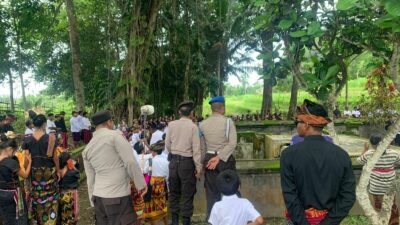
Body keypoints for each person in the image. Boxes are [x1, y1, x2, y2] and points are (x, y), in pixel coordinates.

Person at [280, 99, 356, 225]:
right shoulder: (342, 155)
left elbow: (290, 195)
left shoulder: (288, 155)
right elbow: (348, 196)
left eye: (297, 122)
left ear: (306, 125)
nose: (296, 125)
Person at [83, 111, 147, 225]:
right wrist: (141, 184)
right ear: (109, 122)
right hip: (117, 195)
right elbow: (130, 162)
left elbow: (90, 178)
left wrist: (92, 199)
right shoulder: (115, 137)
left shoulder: (88, 148)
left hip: (98, 196)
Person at [199, 96, 237, 218]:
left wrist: (202, 164)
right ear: (223, 108)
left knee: (211, 192)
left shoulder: (202, 124)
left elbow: (202, 148)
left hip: (209, 159)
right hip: (225, 159)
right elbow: (232, 143)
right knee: (230, 190)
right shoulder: (228, 122)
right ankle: (232, 218)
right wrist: (219, 157)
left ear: (212, 109)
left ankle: (212, 218)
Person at [165, 101, 201, 225]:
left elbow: (167, 145)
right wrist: (198, 168)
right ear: (191, 114)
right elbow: (196, 149)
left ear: (179, 113)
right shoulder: (193, 127)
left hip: (174, 162)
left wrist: (174, 152)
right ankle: (186, 222)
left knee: (174, 192)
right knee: (187, 193)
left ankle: (174, 221)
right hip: (187, 163)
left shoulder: (171, 125)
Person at [22, 114, 60, 224]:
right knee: (51, 197)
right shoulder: (50, 138)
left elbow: (26, 159)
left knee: (37, 197)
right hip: (49, 172)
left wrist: (27, 174)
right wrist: (57, 170)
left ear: (34, 124)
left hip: (35, 174)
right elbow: (55, 157)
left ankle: (39, 219)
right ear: (44, 124)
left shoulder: (27, 139)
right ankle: (51, 220)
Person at [357, 134, 400, 225]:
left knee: (378, 206)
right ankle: (393, 222)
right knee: (391, 205)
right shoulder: (394, 153)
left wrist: (365, 149)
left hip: (376, 187)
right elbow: (398, 161)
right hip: (390, 187)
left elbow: (359, 161)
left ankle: (380, 221)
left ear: (371, 144)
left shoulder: (369, 154)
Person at [0, 133, 31, 225]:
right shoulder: (11, 162)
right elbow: (25, 175)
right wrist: (29, 162)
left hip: (1, 192)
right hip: (13, 194)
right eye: (14, 151)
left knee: (7, 216)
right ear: (9, 149)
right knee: (19, 216)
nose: (14, 154)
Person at [143, 141, 169, 225]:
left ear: (154, 152)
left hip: (152, 186)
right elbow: (168, 176)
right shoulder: (166, 162)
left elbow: (145, 171)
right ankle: (165, 223)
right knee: (163, 204)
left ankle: (153, 223)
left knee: (151, 206)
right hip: (162, 186)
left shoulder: (150, 161)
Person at [58, 152, 80, 225]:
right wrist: (72, 165)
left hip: (61, 195)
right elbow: (78, 173)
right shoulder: (72, 172)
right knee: (73, 217)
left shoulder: (58, 171)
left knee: (64, 216)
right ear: (68, 161)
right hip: (71, 196)